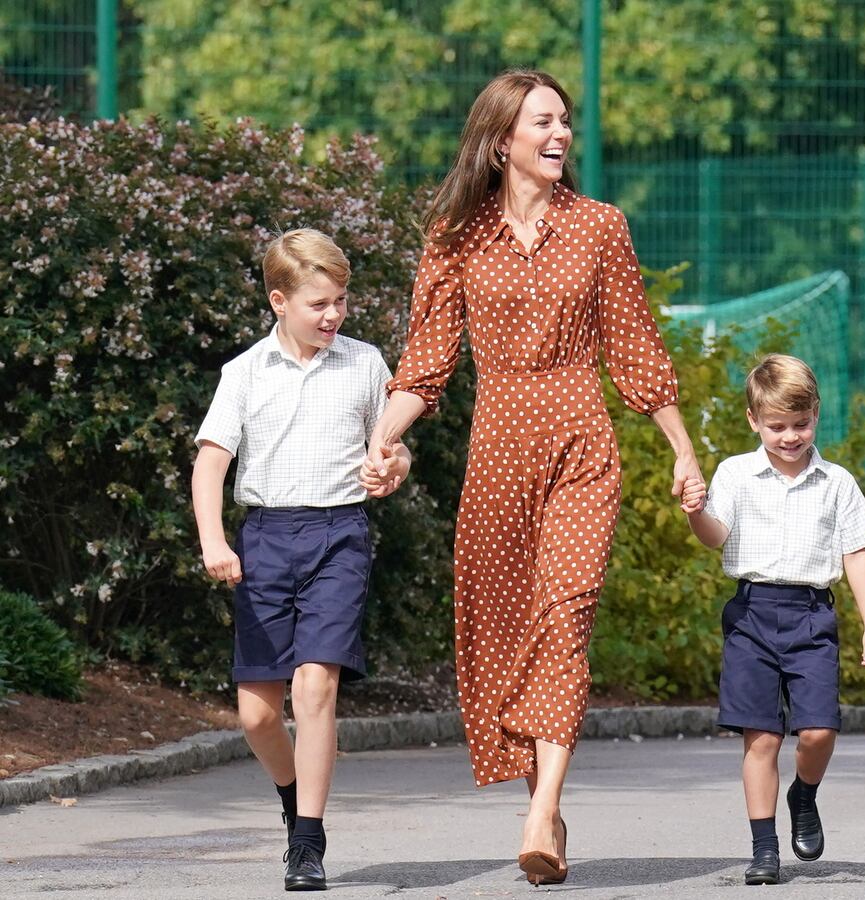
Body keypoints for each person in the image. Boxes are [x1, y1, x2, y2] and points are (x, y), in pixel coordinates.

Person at [365, 69, 702, 886]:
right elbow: (426, 361)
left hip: (581, 441)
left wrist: (683, 448)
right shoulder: (456, 238)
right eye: (543, 122)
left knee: (568, 613)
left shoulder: (599, 227)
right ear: (500, 138)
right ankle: (543, 799)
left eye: (565, 123)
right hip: (498, 453)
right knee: (510, 632)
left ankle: (541, 807)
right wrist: (383, 439)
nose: (560, 136)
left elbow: (633, 345)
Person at [192, 228, 411, 891]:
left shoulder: (366, 364)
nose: (333, 315)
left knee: (316, 683)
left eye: (341, 301)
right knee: (257, 713)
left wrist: (393, 464)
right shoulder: (245, 372)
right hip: (264, 539)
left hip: (341, 535)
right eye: (319, 303)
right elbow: (209, 467)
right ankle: (293, 800)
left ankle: (308, 844)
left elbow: (392, 448)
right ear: (279, 301)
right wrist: (214, 540)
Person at [679, 354, 865, 886]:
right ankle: (764, 847)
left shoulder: (835, 482)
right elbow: (716, 536)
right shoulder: (735, 473)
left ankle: (805, 794)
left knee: (818, 731)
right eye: (776, 427)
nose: (790, 436)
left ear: (815, 414)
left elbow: (857, 552)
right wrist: (695, 512)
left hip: (811, 616)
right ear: (754, 421)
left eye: (800, 424)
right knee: (762, 737)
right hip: (751, 614)